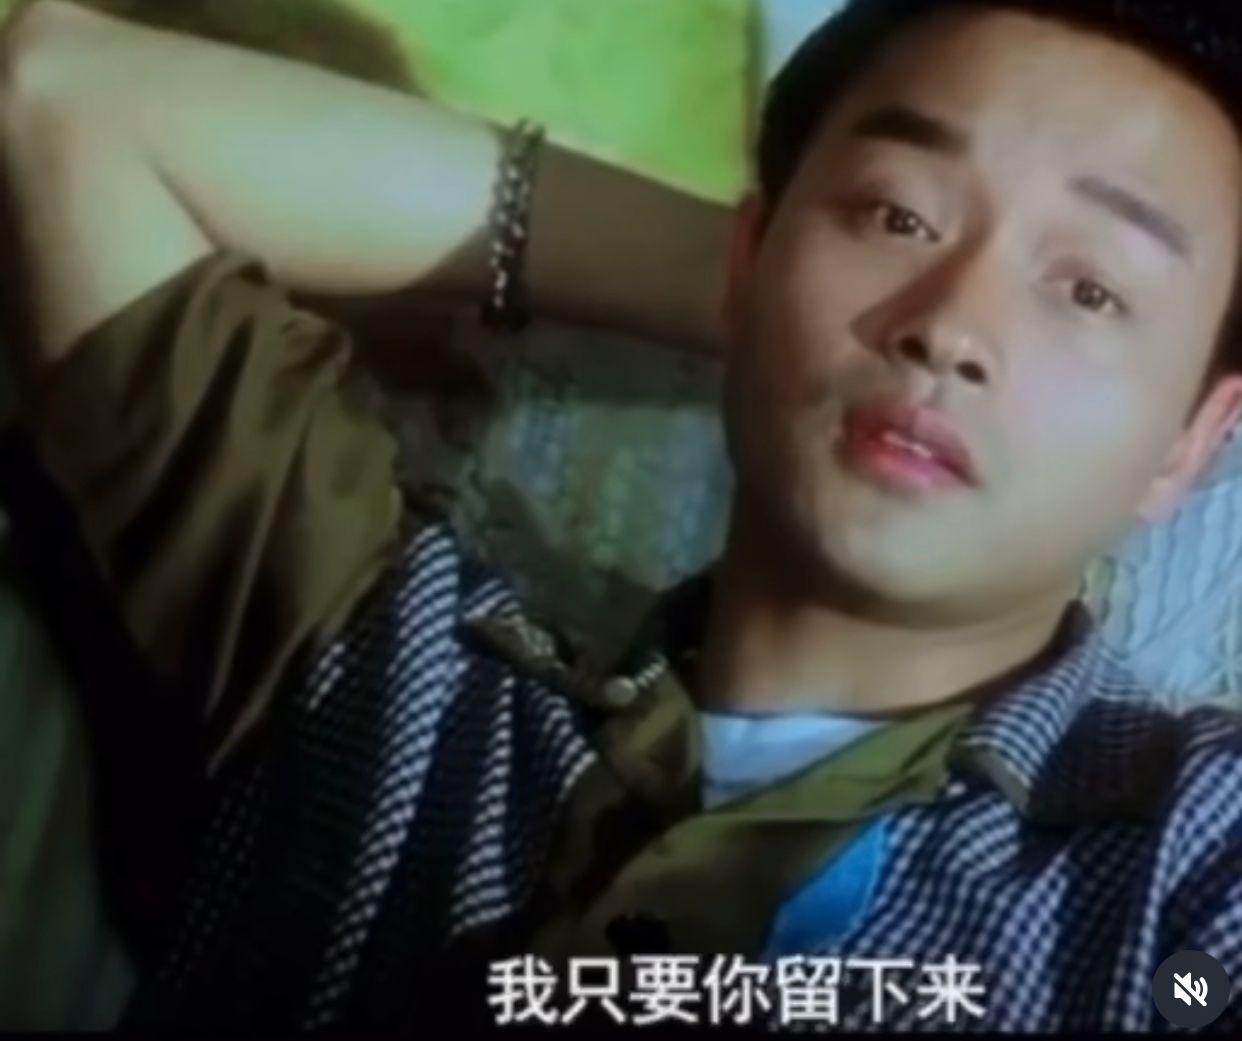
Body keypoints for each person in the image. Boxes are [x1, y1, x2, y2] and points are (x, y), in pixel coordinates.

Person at [2, 0, 1242, 1030]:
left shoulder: (1192, 869)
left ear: (1192, 438)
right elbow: (65, 98)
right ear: (749, 259)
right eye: (896, 215)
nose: (950, 325)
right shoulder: (389, 670)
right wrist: (756, 291)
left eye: (1090, 289)